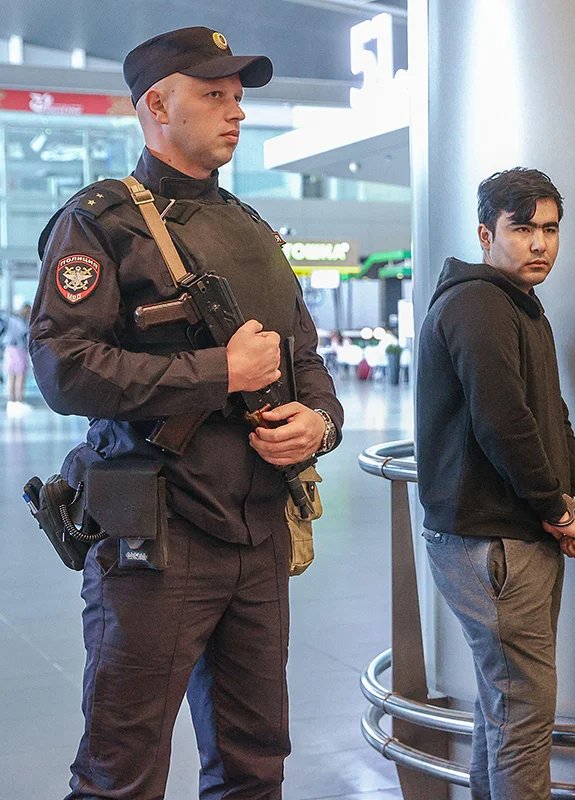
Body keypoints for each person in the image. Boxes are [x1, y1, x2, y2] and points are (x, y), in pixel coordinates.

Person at [30, 27, 342, 799]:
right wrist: (216, 372)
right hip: (154, 542)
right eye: (214, 95)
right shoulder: (100, 223)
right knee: (121, 772)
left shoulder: (254, 230)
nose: (235, 112)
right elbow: (64, 369)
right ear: (157, 104)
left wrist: (320, 425)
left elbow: (305, 360)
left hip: (259, 534)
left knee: (256, 762)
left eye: (238, 98)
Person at [414, 167, 575, 799]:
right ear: (485, 232)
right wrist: (555, 506)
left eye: (550, 229)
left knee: (503, 711)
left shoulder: (518, 306)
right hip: (492, 542)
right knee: (521, 714)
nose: (540, 244)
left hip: (513, 537)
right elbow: (503, 421)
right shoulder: (477, 305)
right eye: (523, 229)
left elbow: (552, 413)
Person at [3, 302, 31, 407]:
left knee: (11, 377)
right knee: (20, 377)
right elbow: (24, 336)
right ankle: (19, 401)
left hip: (9, 349)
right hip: (19, 350)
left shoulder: (10, 320)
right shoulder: (22, 323)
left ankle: (11, 402)